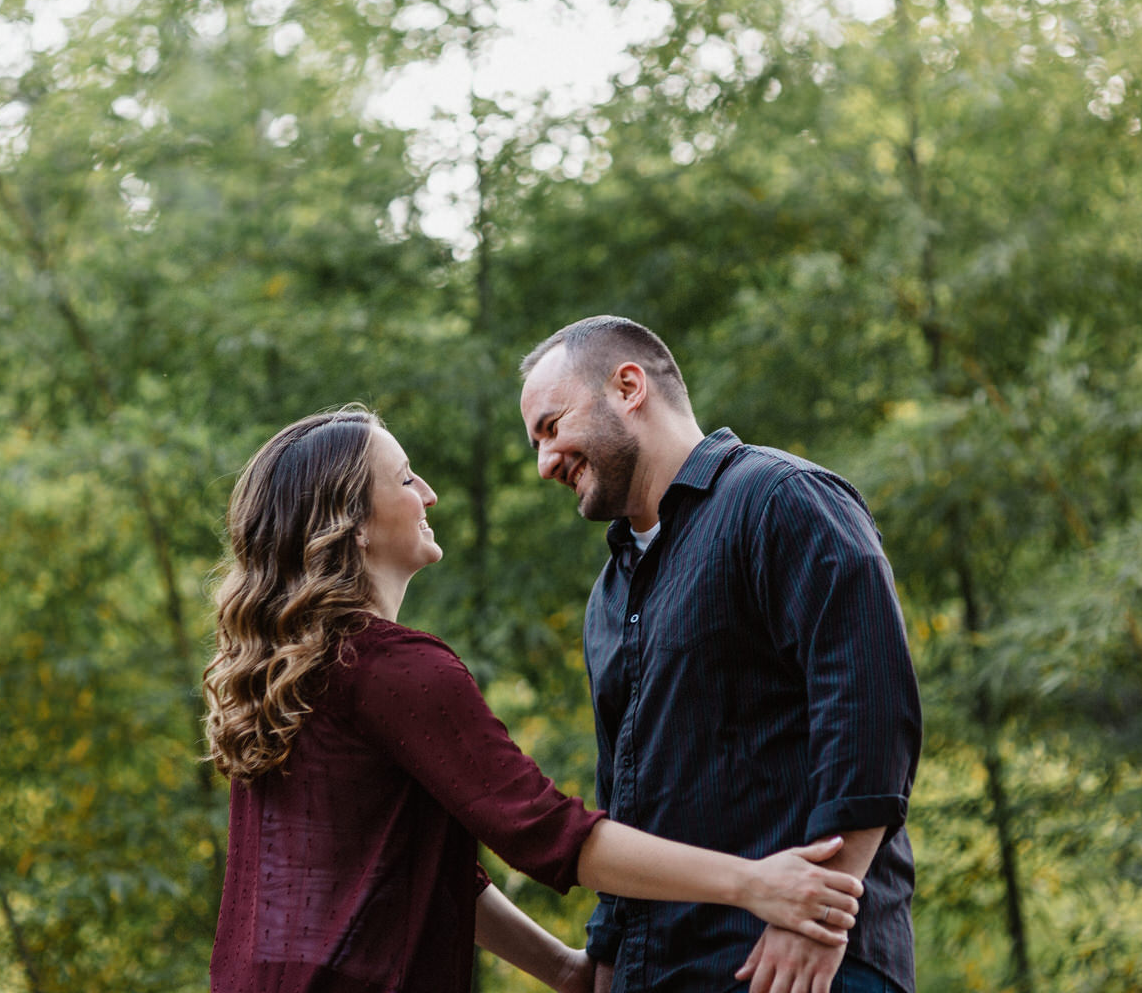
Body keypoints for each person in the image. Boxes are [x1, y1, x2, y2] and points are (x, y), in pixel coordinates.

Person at [204, 407, 867, 993]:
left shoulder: (299, 676)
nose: (429, 495)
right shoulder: (394, 669)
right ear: (351, 524)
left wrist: (566, 972)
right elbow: (548, 833)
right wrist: (754, 884)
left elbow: (431, 873)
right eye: (406, 479)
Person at [518, 316, 924, 993]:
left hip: (797, 967)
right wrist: (609, 964)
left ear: (628, 387)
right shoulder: (608, 596)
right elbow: (626, 800)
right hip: (659, 973)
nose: (545, 463)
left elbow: (869, 709)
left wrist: (813, 917)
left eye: (551, 427)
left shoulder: (780, 500)